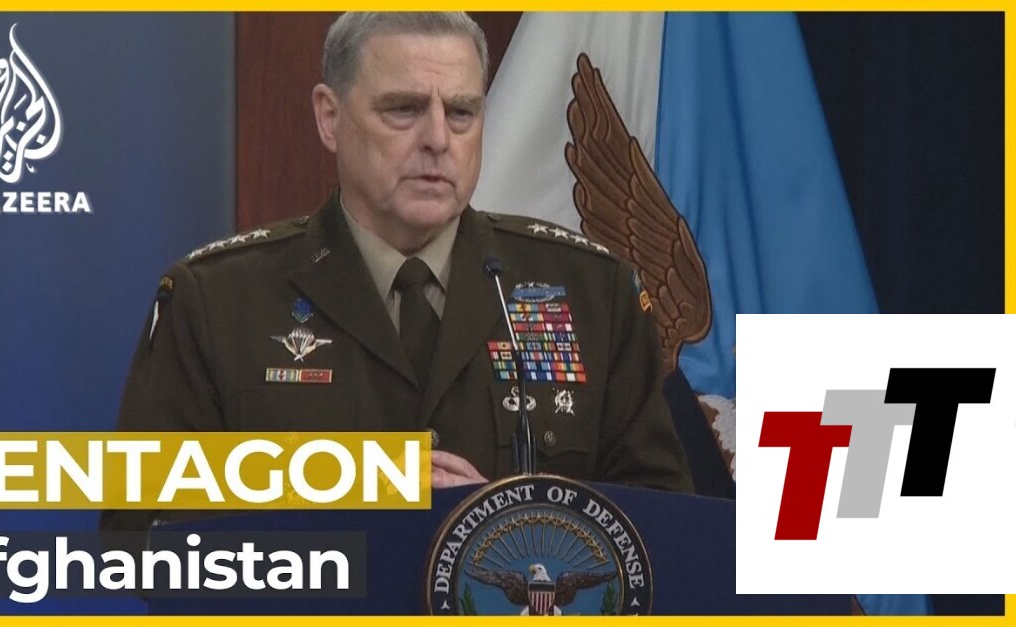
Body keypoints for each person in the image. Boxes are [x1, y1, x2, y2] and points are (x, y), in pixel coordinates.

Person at [102, 11, 692, 537]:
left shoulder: (591, 291)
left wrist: (507, 523)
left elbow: (666, 530)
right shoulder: (218, 298)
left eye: (461, 112)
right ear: (330, 117)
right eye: (404, 109)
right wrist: (347, 492)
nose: (437, 140)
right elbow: (140, 532)